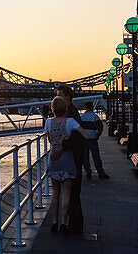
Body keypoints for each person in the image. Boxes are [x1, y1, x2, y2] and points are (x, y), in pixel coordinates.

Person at [45, 96, 91, 235]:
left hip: (53, 159)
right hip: (67, 159)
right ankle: (64, 223)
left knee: (55, 193)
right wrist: (69, 140)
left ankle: (54, 222)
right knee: (66, 193)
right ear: (65, 108)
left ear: (52, 109)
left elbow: (49, 139)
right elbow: (86, 136)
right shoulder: (70, 121)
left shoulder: (47, 122)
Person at [54, 85, 85, 233]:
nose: (58, 98)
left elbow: (77, 137)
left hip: (73, 158)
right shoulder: (70, 111)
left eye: (60, 95)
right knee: (71, 193)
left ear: (68, 97)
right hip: (72, 157)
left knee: (73, 193)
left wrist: (61, 145)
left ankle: (76, 226)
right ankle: (73, 223)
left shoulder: (71, 114)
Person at [78, 102, 109, 179]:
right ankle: (100, 172)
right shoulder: (95, 117)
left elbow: (79, 129)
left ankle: (88, 172)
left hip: (83, 139)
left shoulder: (81, 117)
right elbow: (100, 128)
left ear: (85, 107)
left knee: (85, 157)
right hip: (93, 139)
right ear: (92, 107)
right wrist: (97, 135)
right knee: (96, 157)